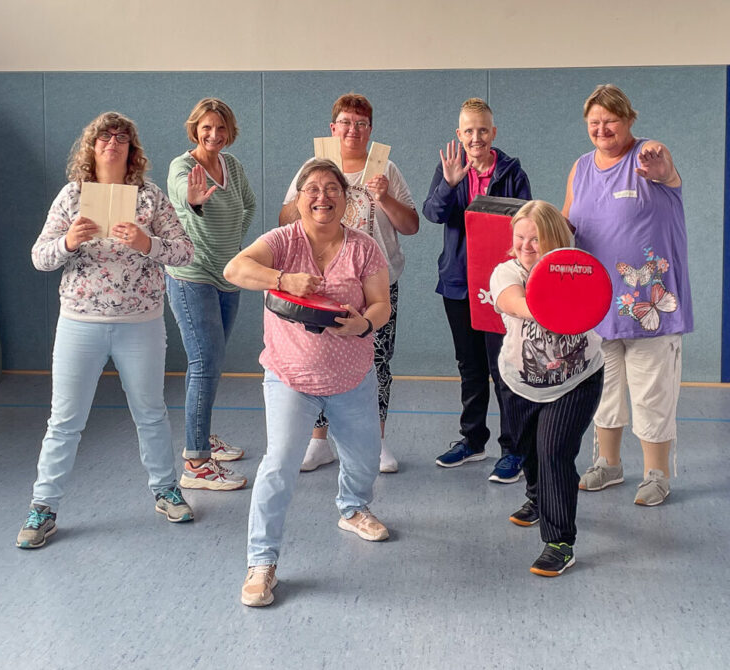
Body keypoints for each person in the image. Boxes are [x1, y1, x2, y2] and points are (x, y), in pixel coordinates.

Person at [17, 111, 196, 549]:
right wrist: (68, 242)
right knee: (65, 420)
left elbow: (184, 252)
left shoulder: (149, 197)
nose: (112, 143)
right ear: (92, 147)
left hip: (140, 322)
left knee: (150, 411)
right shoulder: (72, 195)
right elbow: (40, 257)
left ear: (132, 149)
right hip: (80, 322)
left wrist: (147, 243)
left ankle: (166, 490)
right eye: (104, 137)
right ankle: (43, 507)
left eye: (121, 137)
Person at [226, 159, 392, 607]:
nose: (323, 196)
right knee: (279, 464)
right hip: (290, 376)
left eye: (332, 188)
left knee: (365, 457)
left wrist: (363, 324)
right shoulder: (281, 241)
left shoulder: (364, 247)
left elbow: (381, 304)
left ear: (346, 198)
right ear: (298, 199)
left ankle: (353, 508)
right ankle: (261, 562)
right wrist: (283, 279)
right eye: (312, 189)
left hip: (351, 375)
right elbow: (235, 270)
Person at [561, 84, 693, 506]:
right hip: (597, 303)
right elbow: (567, 223)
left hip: (649, 304)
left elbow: (666, 173)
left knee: (652, 393)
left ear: (629, 119)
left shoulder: (649, 158)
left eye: (611, 120)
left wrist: (661, 167)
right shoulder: (581, 167)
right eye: (594, 122)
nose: (602, 129)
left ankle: (657, 474)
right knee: (604, 390)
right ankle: (609, 464)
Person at [278, 93, 419, 475]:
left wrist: (384, 197)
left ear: (370, 129)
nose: (353, 130)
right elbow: (285, 218)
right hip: (324, 283)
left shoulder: (386, 168)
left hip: (377, 285)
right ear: (333, 128)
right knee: (318, 358)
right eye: (346, 122)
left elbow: (410, 225)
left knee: (378, 362)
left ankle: (377, 441)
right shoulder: (313, 168)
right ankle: (319, 441)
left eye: (361, 124)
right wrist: (310, 194)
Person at [490, 200, 604, 576]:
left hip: (576, 380)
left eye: (535, 239)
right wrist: (549, 306)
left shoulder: (578, 269)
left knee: (554, 451)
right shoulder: (506, 271)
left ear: (554, 238)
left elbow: (600, 300)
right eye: (520, 237)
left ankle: (559, 542)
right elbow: (512, 301)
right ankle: (538, 498)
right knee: (527, 450)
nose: (525, 245)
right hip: (519, 381)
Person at [422, 98, 532, 483]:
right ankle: (473, 440)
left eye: (482, 130)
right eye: (468, 130)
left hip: (501, 289)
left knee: (504, 368)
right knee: (469, 367)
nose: (475, 137)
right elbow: (432, 213)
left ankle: (514, 449)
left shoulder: (512, 173)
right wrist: (449, 184)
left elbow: (526, 226)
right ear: (459, 134)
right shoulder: (448, 170)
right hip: (457, 285)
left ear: (493, 132)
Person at [165, 98, 255, 492]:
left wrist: (233, 246)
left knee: (211, 363)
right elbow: (182, 201)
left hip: (227, 275)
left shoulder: (232, 166)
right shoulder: (182, 167)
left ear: (229, 131)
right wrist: (194, 201)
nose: (213, 135)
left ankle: (201, 435)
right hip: (192, 275)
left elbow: (248, 205)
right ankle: (196, 464)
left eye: (220, 128)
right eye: (206, 128)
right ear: (195, 130)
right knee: (205, 361)